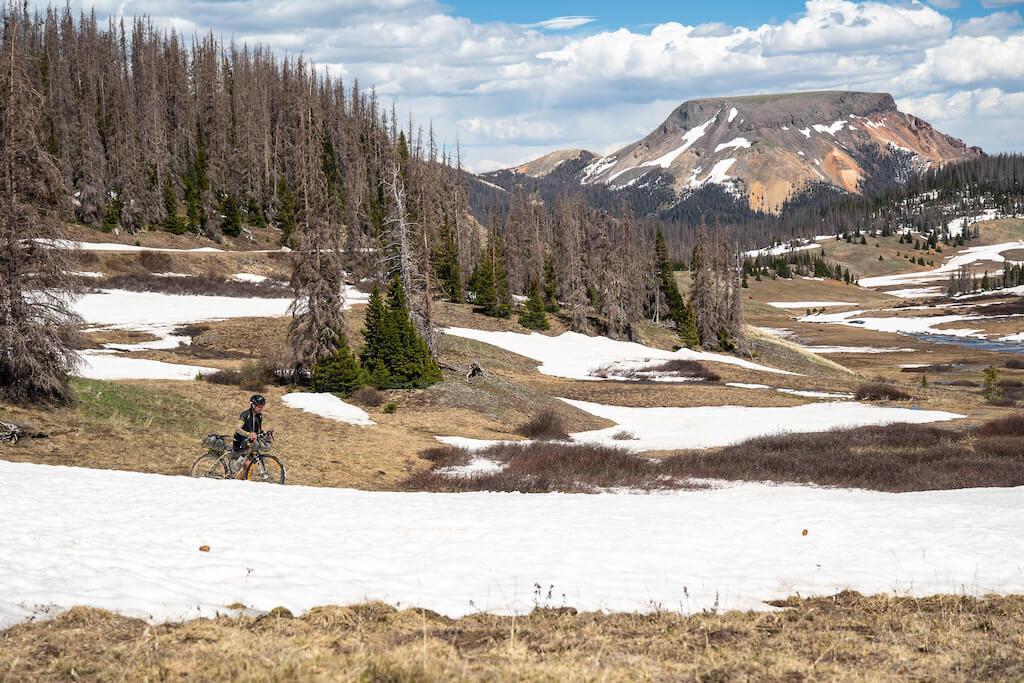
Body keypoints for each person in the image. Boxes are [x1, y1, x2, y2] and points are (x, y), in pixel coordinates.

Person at [231, 395, 267, 472]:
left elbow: (260, 429)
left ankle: (242, 481)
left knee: (249, 468)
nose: (261, 409)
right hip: (240, 442)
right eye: (259, 406)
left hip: (250, 443)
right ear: (253, 405)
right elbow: (237, 429)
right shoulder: (245, 415)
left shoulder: (259, 416)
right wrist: (248, 434)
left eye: (262, 407)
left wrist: (265, 433)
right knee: (247, 466)